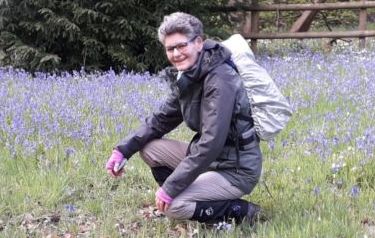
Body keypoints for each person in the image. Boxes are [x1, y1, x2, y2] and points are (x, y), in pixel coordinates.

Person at [105, 12, 263, 225]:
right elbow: (161, 119)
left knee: (174, 206)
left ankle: (243, 211)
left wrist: (170, 189)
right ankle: (196, 197)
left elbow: (211, 143)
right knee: (150, 149)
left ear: (198, 42)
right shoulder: (191, 75)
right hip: (213, 161)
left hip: (235, 169)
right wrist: (123, 150)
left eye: (181, 46)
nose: (176, 53)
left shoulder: (220, 79)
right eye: (170, 49)